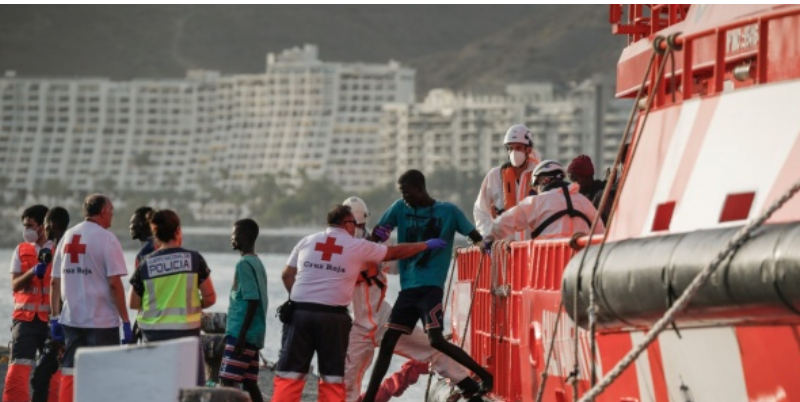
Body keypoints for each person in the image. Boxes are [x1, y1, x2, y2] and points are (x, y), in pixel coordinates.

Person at [272, 205, 445, 402]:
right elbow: (394, 253)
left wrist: (299, 299)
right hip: (332, 318)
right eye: (354, 224)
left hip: (299, 314)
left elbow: (287, 275)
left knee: (289, 373)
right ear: (347, 224)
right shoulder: (354, 245)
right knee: (332, 376)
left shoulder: (307, 241)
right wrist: (425, 245)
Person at [362, 170, 492, 402]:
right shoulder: (400, 208)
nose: (404, 198)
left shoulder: (449, 211)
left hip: (431, 288)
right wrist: (377, 234)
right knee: (388, 341)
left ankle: (484, 375)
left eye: (407, 192)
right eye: (401, 193)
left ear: (420, 189)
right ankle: (370, 398)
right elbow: (378, 234)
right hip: (408, 289)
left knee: (436, 340)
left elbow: (473, 235)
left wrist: (484, 245)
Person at [341, 196, 479, 402]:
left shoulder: (376, 245)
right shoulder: (341, 251)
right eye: (354, 225)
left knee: (432, 347)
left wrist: (386, 244)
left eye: (361, 225)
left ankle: (468, 386)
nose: (358, 229)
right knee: (346, 380)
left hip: (383, 318)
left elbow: (396, 267)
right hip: (357, 327)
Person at [50, 194, 132, 402]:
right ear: (103, 212)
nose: (112, 215)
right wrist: (126, 320)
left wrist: (54, 317)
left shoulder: (68, 236)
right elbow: (115, 284)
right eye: (111, 210)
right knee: (103, 373)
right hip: (101, 321)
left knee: (70, 370)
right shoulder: (107, 239)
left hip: (71, 319)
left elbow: (54, 281)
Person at [128, 209, 216, 386]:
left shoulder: (146, 263)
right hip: (186, 335)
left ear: (156, 234)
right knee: (190, 390)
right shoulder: (194, 259)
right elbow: (210, 297)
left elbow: (133, 302)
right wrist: (193, 303)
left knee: (156, 389)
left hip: (153, 337)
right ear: (178, 231)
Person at [487, 160, 605, 243]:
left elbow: (504, 223)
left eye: (535, 186)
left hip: (546, 269)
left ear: (542, 181)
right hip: (578, 267)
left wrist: (488, 239)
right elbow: (601, 233)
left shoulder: (536, 202)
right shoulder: (584, 202)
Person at [4, 205, 53, 402]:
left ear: (42, 226)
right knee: (18, 367)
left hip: (51, 320)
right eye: (25, 226)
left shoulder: (58, 249)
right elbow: (15, 285)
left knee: (52, 370)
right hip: (24, 320)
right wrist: (33, 271)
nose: (27, 230)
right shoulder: (21, 250)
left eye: (30, 226)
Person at [218, 218, 267, 402]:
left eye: (234, 234)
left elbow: (252, 300)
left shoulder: (244, 264)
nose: (231, 237)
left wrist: (241, 336)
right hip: (254, 335)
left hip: (241, 334)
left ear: (245, 236)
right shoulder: (257, 262)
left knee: (227, 381)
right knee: (249, 383)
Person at [474, 124, 542, 240]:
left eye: (518, 148)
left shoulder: (540, 175)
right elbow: (481, 210)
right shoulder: (495, 176)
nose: (514, 152)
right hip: (504, 250)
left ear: (528, 149)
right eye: (510, 148)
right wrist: (488, 235)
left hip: (532, 249)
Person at [31, 207, 70, 402]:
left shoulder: (65, 246)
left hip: (64, 321)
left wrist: (55, 320)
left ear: (52, 225)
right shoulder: (59, 246)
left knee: (41, 376)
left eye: (45, 226)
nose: (43, 231)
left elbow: (56, 284)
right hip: (65, 320)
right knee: (44, 375)